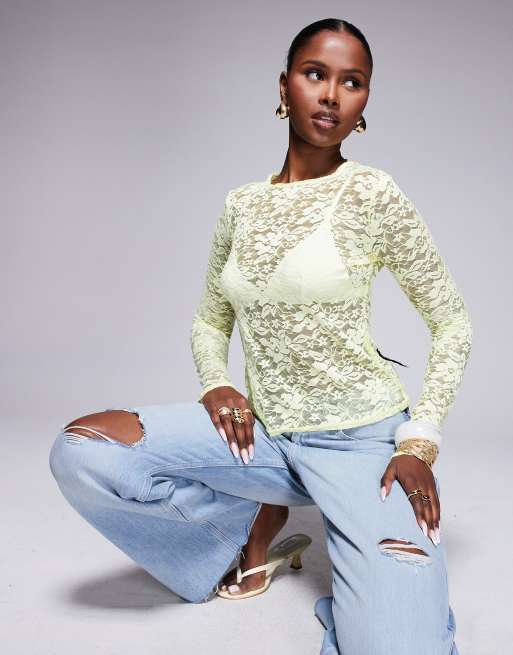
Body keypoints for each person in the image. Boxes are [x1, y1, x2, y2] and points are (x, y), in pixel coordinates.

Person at [48, 18, 472, 655]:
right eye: (315, 74)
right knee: (83, 451)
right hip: (265, 438)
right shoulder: (241, 204)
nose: (330, 94)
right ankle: (244, 524)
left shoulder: (372, 193)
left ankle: (362, 568)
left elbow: (452, 321)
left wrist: (420, 443)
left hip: (361, 446)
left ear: (364, 102)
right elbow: (209, 319)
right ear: (284, 87)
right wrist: (216, 384)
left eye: (352, 82)